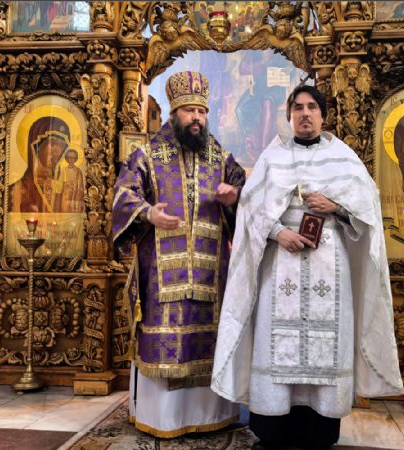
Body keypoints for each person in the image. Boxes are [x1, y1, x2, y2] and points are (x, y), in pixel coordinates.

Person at [211, 85, 404, 450]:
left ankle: (319, 432)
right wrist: (278, 232)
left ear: (322, 114)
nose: (304, 113)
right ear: (289, 115)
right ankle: (272, 432)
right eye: (297, 107)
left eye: (311, 107)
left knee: (327, 345)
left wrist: (337, 207)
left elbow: (368, 209)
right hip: (280, 264)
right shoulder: (272, 158)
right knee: (275, 342)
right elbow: (251, 211)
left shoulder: (344, 158)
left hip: (330, 265)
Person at [112, 71, 246, 438]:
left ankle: (211, 414)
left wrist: (234, 198)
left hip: (209, 276)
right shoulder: (148, 154)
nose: (196, 118)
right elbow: (123, 196)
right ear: (174, 113)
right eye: (189, 111)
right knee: (164, 342)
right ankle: (163, 419)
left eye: (201, 111)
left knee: (208, 341)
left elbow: (245, 192)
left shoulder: (220, 156)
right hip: (161, 277)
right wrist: (148, 213)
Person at [9, 117, 70, 213]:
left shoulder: (63, 189)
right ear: (37, 147)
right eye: (53, 144)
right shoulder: (17, 190)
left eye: (61, 145)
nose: (57, 150)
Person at [54, 148, 84, 213]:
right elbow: (60, 184)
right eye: (69, 157)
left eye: (73, 158)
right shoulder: (64, 170)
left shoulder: (78, 171)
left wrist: (77, 197)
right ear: (67, 158)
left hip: (74, 196)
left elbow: (80, 186)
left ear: (75, 159)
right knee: (64, 210)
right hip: (65, 196)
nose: (71, 160)